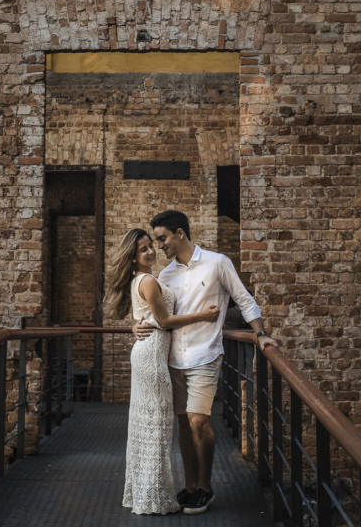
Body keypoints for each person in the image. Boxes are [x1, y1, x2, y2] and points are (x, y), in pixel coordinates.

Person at [133, 210, 279, 515]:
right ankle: (189, 487)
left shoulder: (217, 263)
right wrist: (135, 326)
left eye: (162, 239)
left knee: (199, 420)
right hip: (173, 357)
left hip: (206, 355)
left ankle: (205, 486)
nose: (159, 246)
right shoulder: (165, 275)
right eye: (156, 241)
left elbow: (244, 299)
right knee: (184, 424)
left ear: (180, 233)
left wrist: (260, 334)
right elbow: (155, 314)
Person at [106, 228, 220, 516]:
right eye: (143, 249)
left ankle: (150, 490)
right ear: (133, 258)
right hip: (153, 356)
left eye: (150, 246)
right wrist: (203, 315)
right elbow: (166, 320)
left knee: (151, 425)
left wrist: (137, 324)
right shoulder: (147, 281)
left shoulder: (143, 279)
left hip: (152, 352)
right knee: (156, 426)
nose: (150, 252)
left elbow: (149, 317)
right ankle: (153, 495)